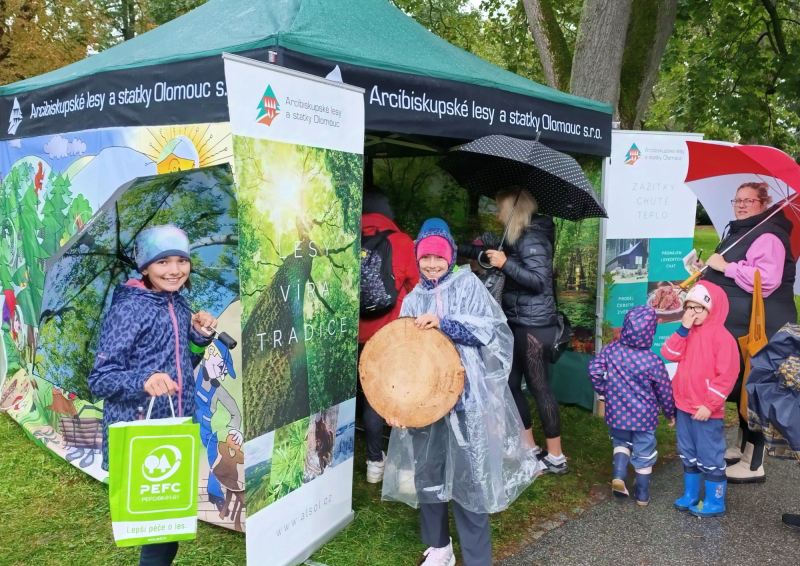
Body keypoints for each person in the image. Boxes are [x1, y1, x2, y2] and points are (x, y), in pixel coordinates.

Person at [382, 218, 541, 566]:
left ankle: (476, 556)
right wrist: (396, 404)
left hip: (466, 400)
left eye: (439, 257)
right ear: (417, 258)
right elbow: (399, 355)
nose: (432, 264)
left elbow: (493, 330)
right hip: (424, 402)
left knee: (470, 478)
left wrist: (446, 324)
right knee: (429, 473)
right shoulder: (411, 300)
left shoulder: (468, 285)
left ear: (451, 255)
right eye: (425, 257)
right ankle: (439, 548)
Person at [87, 225, 217, 566]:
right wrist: (143, 380)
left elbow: (182, 366)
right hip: (143, 432)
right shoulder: (128, 309)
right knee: (159, 534)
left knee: (170, 525)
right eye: (162, 263)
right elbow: (100, 379)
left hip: (176, 427)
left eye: (181, 260)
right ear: (144, 267)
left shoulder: (178, 302)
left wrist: (198, 337)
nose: (174, 270)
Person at [458, 188, 567, 474]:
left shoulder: (533, 239)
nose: (497, 214)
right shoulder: (512, 237)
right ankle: (529, 448)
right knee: (510, 383)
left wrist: (505, 264)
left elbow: (539, 281)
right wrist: (447, 247)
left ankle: (556, 456)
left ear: (513, 212)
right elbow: (479, 249)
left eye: (500, 208)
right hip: (515, 322)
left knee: (539, 387)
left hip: (535, 325)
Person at [696, 182, 796, 483]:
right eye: (737, 199)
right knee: (742, 387)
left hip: (759, 328)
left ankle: (754, 464)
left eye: (749, 200)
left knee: (754, 389)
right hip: (740, 325)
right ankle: (742, 448)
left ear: (763, 204)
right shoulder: (741, 230)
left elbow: (766, 280)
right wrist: (708, 269)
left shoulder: (769, 235)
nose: (741, 205)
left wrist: (724, 267)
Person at [661, 283, 739, 518]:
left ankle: (715, 501)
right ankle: (691, 494)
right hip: (683, 405)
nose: (692, 313)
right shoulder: (687, 333)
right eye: (689, 308)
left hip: (706, 409)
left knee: (710, 453)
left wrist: (709, 404)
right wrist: (682, 330)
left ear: (712, 310)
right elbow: (668, 354)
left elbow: (727, 376)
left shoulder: (723, 338)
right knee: (687, 451)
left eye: (699, 308)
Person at [358, 190, 419, 483]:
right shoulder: (402, 241)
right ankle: (403, 465)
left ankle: (373, 463)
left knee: (369, 396)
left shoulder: (346, 240)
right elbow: (416, 284)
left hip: (354, 334)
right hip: (390, 335)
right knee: (395, 395)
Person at [588, 305, 676, 505]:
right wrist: (670, 412)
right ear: (651, 332)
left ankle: (619, 475)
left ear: (626, 326)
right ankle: (642, 495)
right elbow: (664, 390)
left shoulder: (612, 350)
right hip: (645, 418)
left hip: (617, 413)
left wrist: (604, 389)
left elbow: (594, 369)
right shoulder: (653, 361)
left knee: (621, 443)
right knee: (644, 451)